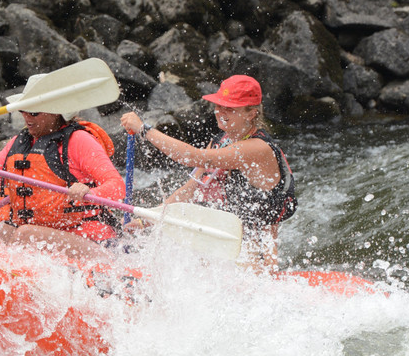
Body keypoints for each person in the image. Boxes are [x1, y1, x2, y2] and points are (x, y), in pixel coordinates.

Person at [119, 74, 296, 270]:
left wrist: (144, 130)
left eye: (229, 108)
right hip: (232, 248)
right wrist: (146, 220)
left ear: (251, 114)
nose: (220, 112)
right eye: (219, 105)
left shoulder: (258, 148)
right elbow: (188, 191)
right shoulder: (222, 141)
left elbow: (191, 156)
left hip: (260, 261)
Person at [0, 82, 127, 259]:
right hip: (40, 234)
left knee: (26, 234)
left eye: (34, 112)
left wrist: (90, 192)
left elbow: (118, 187)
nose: (27, 117)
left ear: (55, 112)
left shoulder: (79, 140)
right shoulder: (18, 143)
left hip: (92, 241)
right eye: (23, 110)